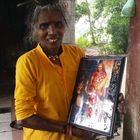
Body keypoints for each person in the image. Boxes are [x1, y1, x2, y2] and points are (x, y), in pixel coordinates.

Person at [14, 1, 125, 140]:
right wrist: (69, 129)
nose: (53, 31)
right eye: (44, 26)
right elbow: (24, 117)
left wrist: (111, 98)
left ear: (64, 26)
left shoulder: (76, 54)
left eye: (58, 24)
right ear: (34, 29)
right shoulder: (27, 62)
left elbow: (89, 89)